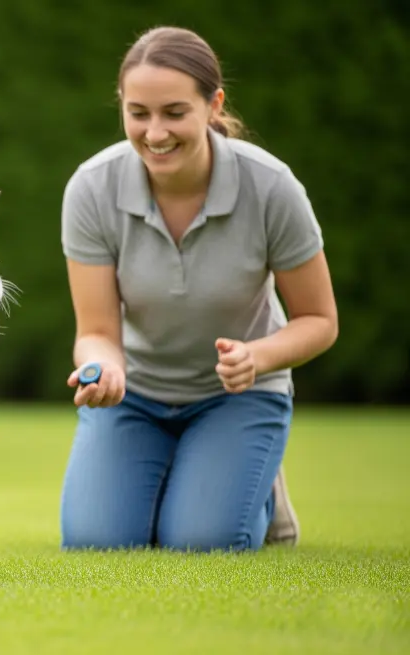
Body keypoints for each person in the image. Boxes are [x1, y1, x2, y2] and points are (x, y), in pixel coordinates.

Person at [57, 25, 338, 552]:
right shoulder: (91, 188)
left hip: (238, 396)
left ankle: (252, 485)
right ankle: (195, 479)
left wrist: (256, 356)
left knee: (203, 540)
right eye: (138, 113)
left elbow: (320, 320)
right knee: (96, 541)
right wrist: (106, 367)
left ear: (214, 105)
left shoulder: (272, 187)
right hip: (137, 397)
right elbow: (95, 331)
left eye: (174, 113)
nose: (155, 132)